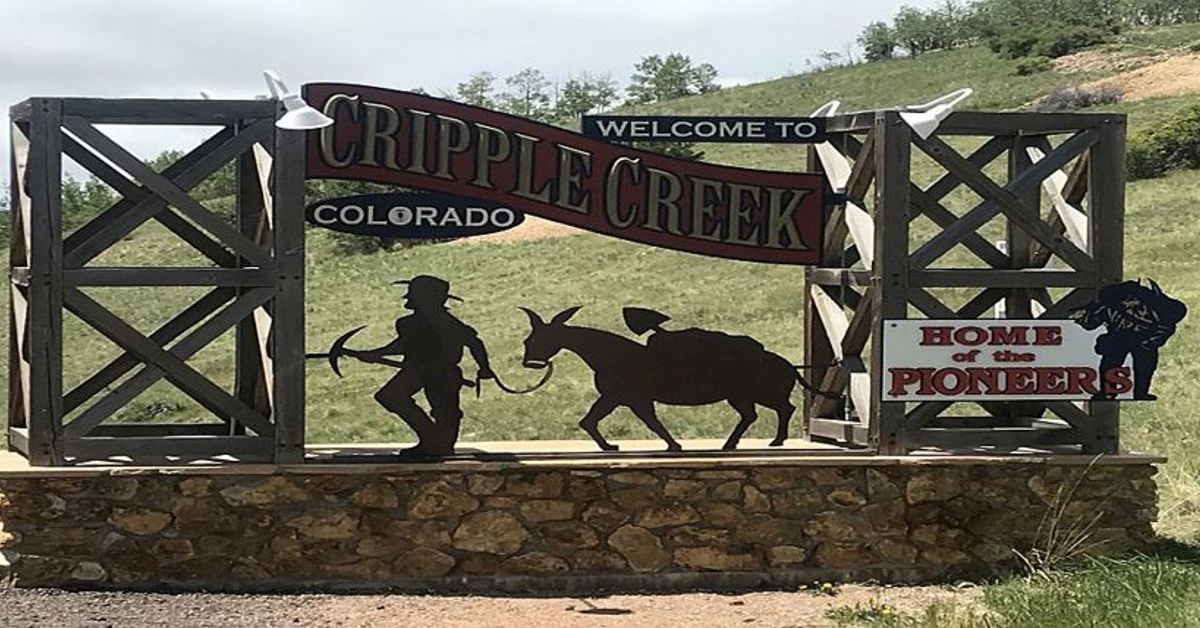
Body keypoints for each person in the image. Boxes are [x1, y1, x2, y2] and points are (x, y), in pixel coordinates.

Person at [355, 275, 494, 456]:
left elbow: (473, 342)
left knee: (444, 409)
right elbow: (404, 345)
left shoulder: (443, 322)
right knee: (391, 396)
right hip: (418, 370)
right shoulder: (410, 323)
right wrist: (376, 353)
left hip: (440, 372)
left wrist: (484, 367)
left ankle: (438, 444)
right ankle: (432, 439)